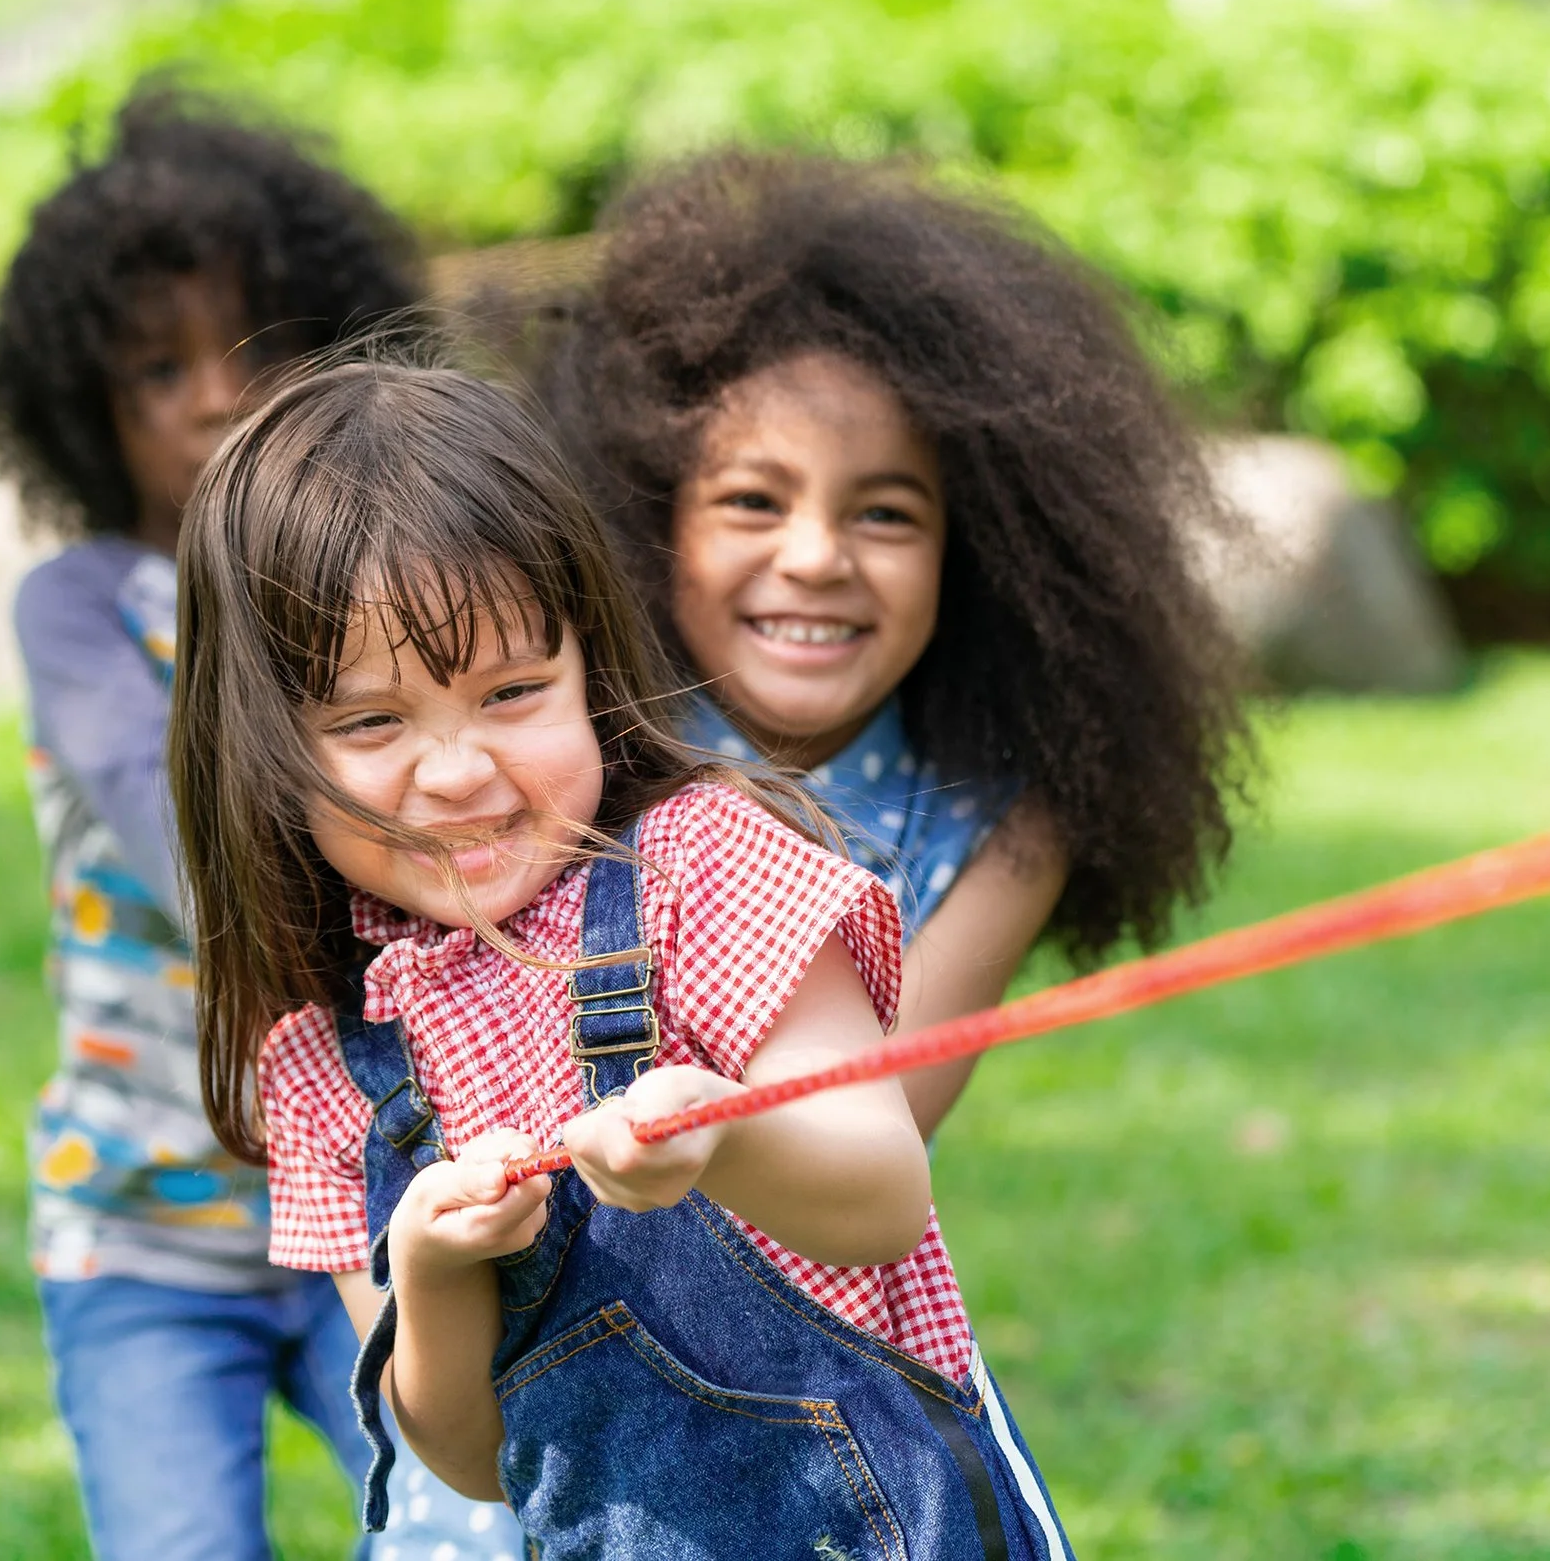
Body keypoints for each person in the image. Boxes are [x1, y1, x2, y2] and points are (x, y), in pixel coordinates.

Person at [166, 360, 1078, 1560]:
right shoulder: (323, 1054)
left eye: (513, 691)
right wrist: (434, 1271)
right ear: (262, 747)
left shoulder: (703, 866)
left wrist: (728, 1133)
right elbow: (475, 1460)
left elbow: (880, 1192)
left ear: (591, 666)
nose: (456, 770)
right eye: (371, 720)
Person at [0, 89, 521, 1561]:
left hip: (403, 1199)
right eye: (157, 368)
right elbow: (187, 849)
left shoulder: (401, 606)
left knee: (478, 1531)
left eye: (255, 347)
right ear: (84, 408)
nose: (217, 395)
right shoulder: (88, 606)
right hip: (150, 1227)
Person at [540, 151, 1250, 1135]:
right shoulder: (581, 737)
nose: (817, 556)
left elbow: (878, 1133)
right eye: (752, 499)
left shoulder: (1005, 826)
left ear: (984, 557)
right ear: (648, 521)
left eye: (884, 515)